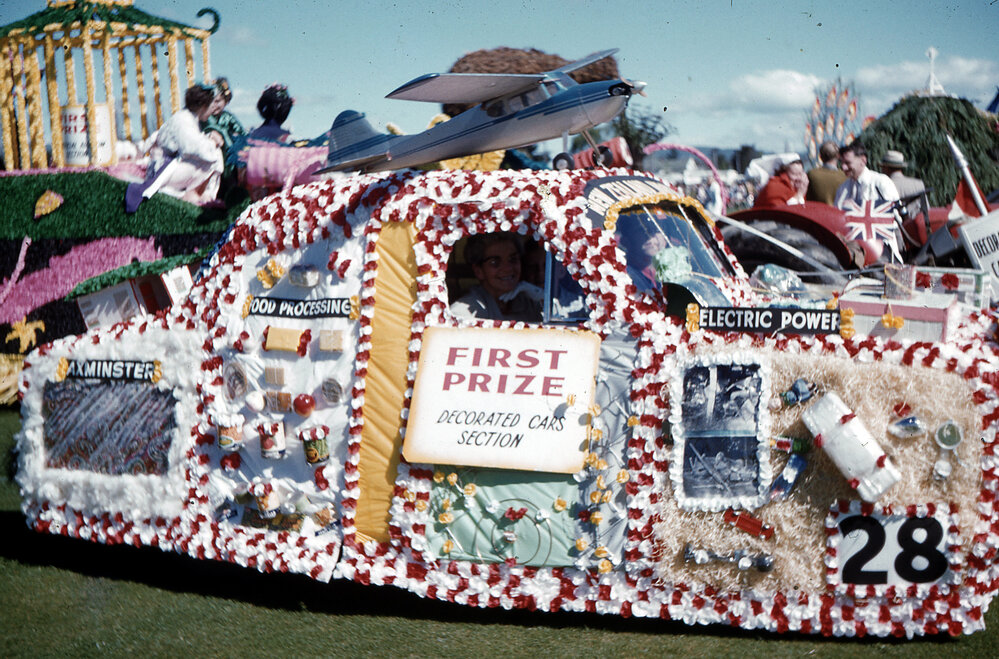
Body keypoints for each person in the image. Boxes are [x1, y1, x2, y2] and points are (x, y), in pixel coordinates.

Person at [125, 83, 223, 212]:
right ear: (203, 105)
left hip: (164, 167)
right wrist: (212, 141)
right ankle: (193, 193)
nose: (214, 108)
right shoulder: (183, 120)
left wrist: (209, 138)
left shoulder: (186, 117)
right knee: (214, 156)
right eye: (212, 104)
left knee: (213, 153)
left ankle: (196, 193)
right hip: (161, 170)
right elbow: (199, 151)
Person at [450, 233, 542, 322]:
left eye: (513, 259)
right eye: (495, 262)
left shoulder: (529, 304)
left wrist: (543, 297)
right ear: (479, 271)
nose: (508, 268)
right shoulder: (464, 312)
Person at [834, 141, 899, 210]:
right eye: (842, 162)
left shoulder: (881, 182)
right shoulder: (843, 188)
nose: (843, 167)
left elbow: (896, 212)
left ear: (863, 160)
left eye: (848, 163)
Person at [879, 149, 927, 219]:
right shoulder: (919, 184)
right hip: (916, 226)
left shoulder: (882, 186)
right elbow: (926, 210)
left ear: (886, 168)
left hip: (894, 228)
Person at [805, 140, 846, 205]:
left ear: (820, 156)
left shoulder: (811, 174)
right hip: (838, 213)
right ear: (838, 156)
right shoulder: (845, 176)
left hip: (816, 213)